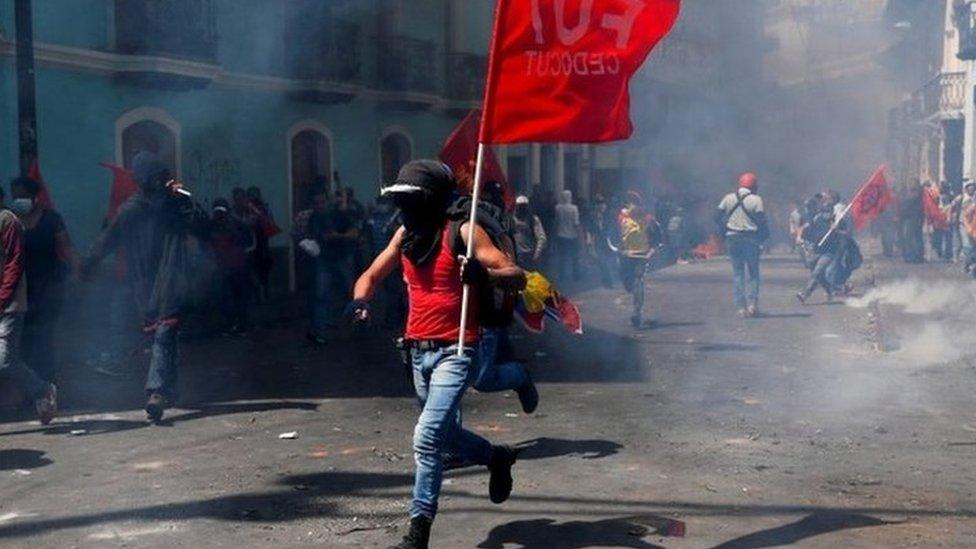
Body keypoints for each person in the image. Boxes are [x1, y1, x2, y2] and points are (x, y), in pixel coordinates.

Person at [349, 160, 525, 549]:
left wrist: (485, 275)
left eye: (410, 201)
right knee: (444, 436)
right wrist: (360, 301)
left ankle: (418, 532)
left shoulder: (463, 232)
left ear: (431, 200)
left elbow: (517, 275)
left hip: (457, 349)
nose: (403, 210)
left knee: (427, 438)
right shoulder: (405, 235)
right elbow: (371, 275)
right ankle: (496, 457)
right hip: (416, 352)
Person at [82, 151, 202, 422]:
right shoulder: (131, 210)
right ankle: (168, 389)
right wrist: (88, 263)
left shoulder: (174, 205)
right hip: (144, 282)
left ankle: (156, 392)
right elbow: (107, 240)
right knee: (163, 336)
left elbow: (198, 222)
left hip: (170, 277)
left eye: (166, 176)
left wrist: (184, 197)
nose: (164, 181)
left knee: (163, 333)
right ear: (147, 179)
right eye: (159, 177)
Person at [9, 176, 78, 384]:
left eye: (23, 196)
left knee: (44, 338)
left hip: (49, 287)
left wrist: (79, 271)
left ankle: (47, 383)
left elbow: (66, 248)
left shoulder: (51, 219)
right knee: (23, 340)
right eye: (15, 196)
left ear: (34, 196)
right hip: (21, 290)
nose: (19, 200)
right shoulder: (11, 221)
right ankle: (31, 386)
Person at [0, 185, 57, 425]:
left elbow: (15, 261)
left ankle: (42, 390)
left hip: (9, 304)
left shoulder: (7, 220)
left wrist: (3, 297)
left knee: (5, 361)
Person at [306, 187, 359, 344]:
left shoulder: (338, 215)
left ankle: (358, 323)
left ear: (327, 202)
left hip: (342, 257)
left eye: (322, 202)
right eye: (316, 203)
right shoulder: (314, 218)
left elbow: (355, 232)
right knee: (321, 295)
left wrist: (339, 236)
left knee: (352, 292)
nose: (319, 205)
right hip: (324, 259)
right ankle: (320, 330)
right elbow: (317, 237)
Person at [715, 172, 769, 318]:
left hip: (732, 238)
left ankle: (741, 308)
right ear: (754, 186)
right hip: (751, 239)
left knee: (738, 273)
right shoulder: (757, 200)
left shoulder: (728, 198)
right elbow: (761, 221)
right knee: (753, 274)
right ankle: (753, 306)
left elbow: (716, 216)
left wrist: (726, 226)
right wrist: (763, 239)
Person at [207, 198, 254, 335]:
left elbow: (248, 242)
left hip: (236, 266)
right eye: (217, 211)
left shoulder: (236, 224)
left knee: (237, 297)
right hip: (223, 267)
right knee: (226, 298)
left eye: (221, 211)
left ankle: (239, 325)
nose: (219, 214)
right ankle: (233, 324)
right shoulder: (214, 224)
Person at [617, 191, 662, 328]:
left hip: (642, 255)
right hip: (626, 255)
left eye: (634, 202)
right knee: (628, 283)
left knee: (638, 281)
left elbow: (657, 237)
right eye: (630, 202)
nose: (632, 205)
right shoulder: (621, 217)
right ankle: (636, 307)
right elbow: (617, 234)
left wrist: (652, 251)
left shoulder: (648, 219)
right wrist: (619, 249)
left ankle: (637, 312)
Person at [511, 195, 547, 272]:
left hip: (528, 256)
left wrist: (537, 253)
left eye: (523, 206)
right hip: (515, 256)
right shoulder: (510, 219)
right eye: (519, 206)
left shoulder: (533, 219)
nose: (520, 209)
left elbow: (542, 237)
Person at [553, 190, 582, 282]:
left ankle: (562, 275)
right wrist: (580, 236)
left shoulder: (557, 208)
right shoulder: (574, 208)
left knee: (562, 257)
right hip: (572, 236)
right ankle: (576, 275)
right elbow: (576, 223)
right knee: (574, 257)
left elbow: (556, 222)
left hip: (560, 235)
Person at [587, 194, 615, 287]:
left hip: (608, 241)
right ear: (596, 206)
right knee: (602, 261)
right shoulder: (592, 217)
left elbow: (613, 228)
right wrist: (589, 243)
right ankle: (608, 281)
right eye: (600, 204)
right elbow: (589, 231)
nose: (603, 206)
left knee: (608, 261)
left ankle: (606, 280)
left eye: (603, 204)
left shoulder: (609, 215)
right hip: (598, 242)